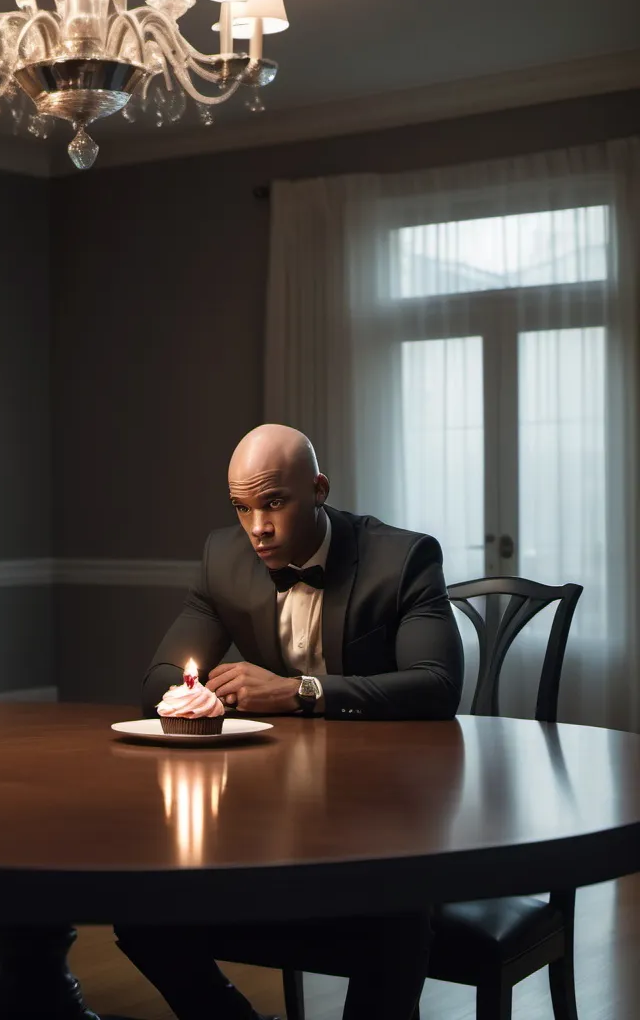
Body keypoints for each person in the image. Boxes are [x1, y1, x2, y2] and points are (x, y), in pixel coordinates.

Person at [115, 423, 464, 1020]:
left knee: (395, 913)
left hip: (389, 813)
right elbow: (157, 683)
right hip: (266, 816)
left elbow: (437, 685)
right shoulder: (222, 558)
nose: (257, 528)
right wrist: (208, 694)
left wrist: (299, 691)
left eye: (274, 502)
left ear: (320, 489)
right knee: (137, 905)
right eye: (242, 508)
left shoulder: (403, 558)